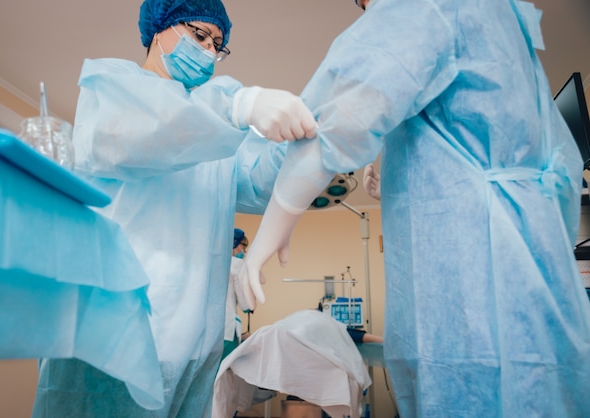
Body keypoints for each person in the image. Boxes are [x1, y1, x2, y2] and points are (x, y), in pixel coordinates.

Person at [241, 0, 590, 416]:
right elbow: (537, 168)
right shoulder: (493, 21)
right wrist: (400, 187)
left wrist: (277, 219)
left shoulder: (424, 6)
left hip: (477, 283)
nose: (368, 12)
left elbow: (338, 118)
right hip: (525, 271)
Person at [31, 0, 317, 417]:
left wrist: (312, 150)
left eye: (217, 45)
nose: (207, 50)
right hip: (111, 342)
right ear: (159, 29)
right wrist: (238, 105)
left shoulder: (216, 135)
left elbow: (262, 177)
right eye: (199, 35)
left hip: (193, 345)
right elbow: (153, 128)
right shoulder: (113, 89)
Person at [222, 228, 251, 360]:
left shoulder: (214, 263)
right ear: (234, 244)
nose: (244, 251)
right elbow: (244, 299)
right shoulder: (237, 263)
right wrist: (248, 307)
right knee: (227, 369)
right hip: (227, 328)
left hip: (209, 330)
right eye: (243, 246)